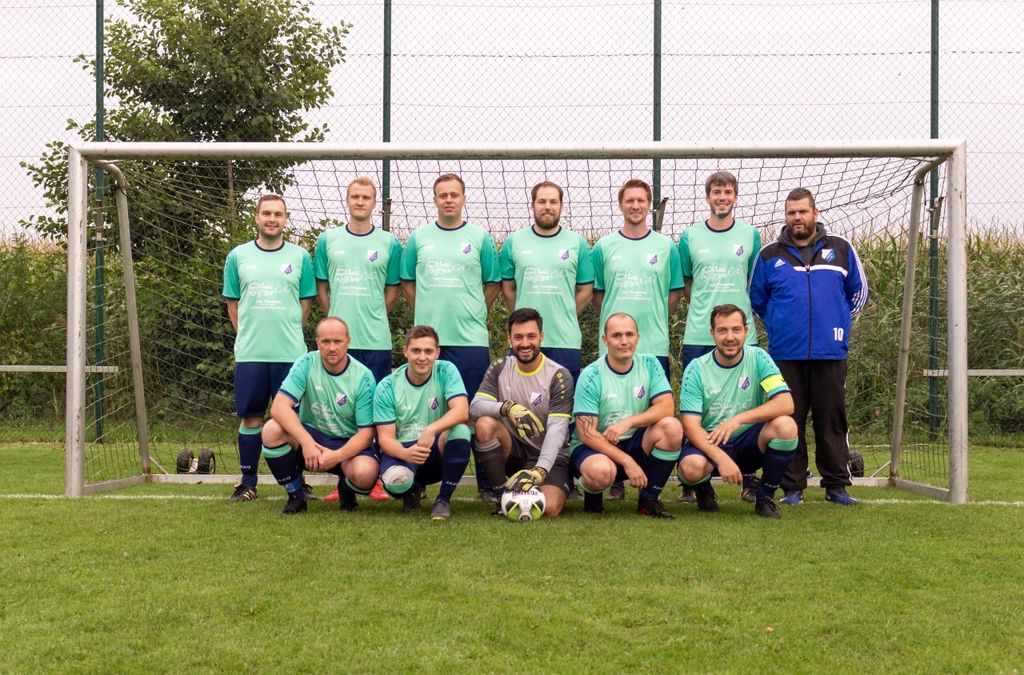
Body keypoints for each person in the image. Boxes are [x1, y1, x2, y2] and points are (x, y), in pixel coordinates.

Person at [749, 187, 869, 506]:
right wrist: (779, 324)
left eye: (802, 211)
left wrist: (838, 322)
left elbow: (859, 292)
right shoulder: (769, 255)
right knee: (791, 418)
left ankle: (836, 485)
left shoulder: (841, 248)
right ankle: (792, 487)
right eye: (791, 212)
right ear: (786, 216)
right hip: (786, 353)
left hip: (830, 351)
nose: (797, 217)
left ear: (815, 213)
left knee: (831, 419)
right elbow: (757, 299)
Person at [400, 173, 501, 500]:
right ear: (434, 200)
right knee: (421, 412)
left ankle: (486, 483)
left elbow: (493, 283)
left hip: (470, 340)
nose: (448, 200)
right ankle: (416, 481)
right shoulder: (418, 238)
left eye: (454, 194)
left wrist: (473, 311)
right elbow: (407, 283)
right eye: (442, 195)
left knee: (475, 412)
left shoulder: (480, 238)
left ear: (463, 198)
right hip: (428, 344)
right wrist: (425, 315)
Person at [591, 178, 683, 500]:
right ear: (621, 205)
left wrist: (651, 318)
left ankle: (648, 481)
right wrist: (618, 326)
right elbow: (599, 294)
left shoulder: (666, 247)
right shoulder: (604, 247)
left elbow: (674, 294)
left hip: (653, 345)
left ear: (649, 205)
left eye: (641, 200)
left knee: (655, 415)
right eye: (629, 200)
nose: (635, 206)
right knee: (611, 412)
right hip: (613, 349)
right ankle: (614, 476)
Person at [313, 176, 402, 503]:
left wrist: (373, 314)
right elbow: (322, 287)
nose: (360, 201)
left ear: (374, 202)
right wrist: (335, 323)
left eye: (366, 197)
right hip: (337, 344)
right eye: (355, 196)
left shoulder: (389, 243)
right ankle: (345, 479)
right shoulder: (328, 240)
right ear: (347, 200)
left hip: (375, 340)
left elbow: (392, 290)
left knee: (377, 413)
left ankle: (374, 477)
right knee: (343, 414)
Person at [222, 194, 315, 502]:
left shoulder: (300, 257)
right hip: (251, 353)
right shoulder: (238, 256)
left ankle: (298, 483)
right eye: (266, 213)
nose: (272, 219)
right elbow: (233, 304)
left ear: (285, 219)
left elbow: (305, 304)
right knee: (251, 417)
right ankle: (248, 482)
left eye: (278, 214)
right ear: (257, 217)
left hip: (290, 354)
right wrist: (248, 335)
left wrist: (288, 331)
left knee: (292, 420)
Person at [676, 171, 762, 504]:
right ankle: (694, 478)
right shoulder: (690, 237)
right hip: (700, 332)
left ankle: (749, 477)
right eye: (716, 192)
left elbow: (753, 280)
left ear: (735, 196)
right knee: (697, 407)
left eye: (727, 192)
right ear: (707, 197)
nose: (722, 197)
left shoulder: (750, 235)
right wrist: (705, 314)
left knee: (747, 403)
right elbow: (686, 284)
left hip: (742, 336)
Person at [677, 305, 798, 519]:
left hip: (748, 441)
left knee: (786, 426)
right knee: (690, 468)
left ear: (746, 331)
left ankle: (765, 498)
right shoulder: (697, 368)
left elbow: (785, 403)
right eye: (722, 330)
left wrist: (739, 419)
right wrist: (721, 458)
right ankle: (704, 490)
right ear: (712, 333)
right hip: (711, 442)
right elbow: (690, 426)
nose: (730, 337)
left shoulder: (758, 357)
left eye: (736, 330)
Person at [568, 313, 683, 519]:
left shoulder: (649, 364)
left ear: (638, 337)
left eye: (629, 334)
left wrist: (628, 423)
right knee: (601, 471)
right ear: (605, 340)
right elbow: (586, 434)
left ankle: (649, 500)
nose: (624, 341)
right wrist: (627, 461)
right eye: (616, 335)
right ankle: (593, 495)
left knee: (672, 427)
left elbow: (666, 407)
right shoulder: (591, 375)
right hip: (595, 447)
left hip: (633, 441)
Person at [259, 317, 377, 515]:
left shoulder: (363, 377)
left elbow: (366, 434)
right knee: (271, 430)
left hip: (347, 443)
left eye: (337, 341)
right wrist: (307, 443)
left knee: (365, 474)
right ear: (317, 342)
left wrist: (336, 456)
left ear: (348, 341)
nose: (332, 348)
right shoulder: (306, 363)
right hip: (313, 438)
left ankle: (346, 489)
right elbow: (279, 407)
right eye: (326, 341)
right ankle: (296, 496)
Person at [470, 308, 574, 517]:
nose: (525, 343)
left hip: (549, 456)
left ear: (541, 336)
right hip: (515, 451)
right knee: (484, 424)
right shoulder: (500, 367)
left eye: (531, 336)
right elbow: (475, 407)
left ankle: (554, 482)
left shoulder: (559, 375)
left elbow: (557, 429)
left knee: (549, 508)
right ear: (509, 338)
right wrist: (508, 408)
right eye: (518, 337)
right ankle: (502, 496)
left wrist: (540, 470)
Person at [373, 325, 472, 521]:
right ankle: (411, 489)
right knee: (395, 482)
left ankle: (443, 500)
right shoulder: (387, 386)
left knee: (461, 431)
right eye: (416, 351)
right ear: (405, 351)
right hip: (403, 451)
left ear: (437, 353)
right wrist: (405, 454)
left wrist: (432, 429)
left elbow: (462, 411)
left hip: (433, 450)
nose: (422, 357)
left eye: (428, 351)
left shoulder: (446, 370)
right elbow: (385, 439)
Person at [500, 181, 594, 385]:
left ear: (561, 206)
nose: (547, 206)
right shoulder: (514, 242)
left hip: (565, 340)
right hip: (525, 340)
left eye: (553, 202)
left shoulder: (577, 243)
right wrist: (523, 318)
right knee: (521, 399)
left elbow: (586, 289)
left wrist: (566, 312)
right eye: (542, 201)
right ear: (532, 205)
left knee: (564, 401)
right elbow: (508, 289)